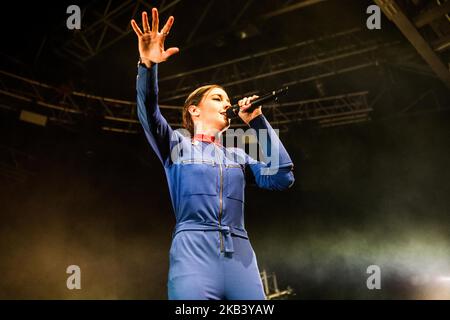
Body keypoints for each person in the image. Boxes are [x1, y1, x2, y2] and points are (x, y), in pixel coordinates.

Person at [131, 8, 295, 300]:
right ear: (194, 110)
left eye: (228, 100)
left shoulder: (239, 159)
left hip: (240, 256)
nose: (226, 103)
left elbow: (283, 177)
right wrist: (148, 65)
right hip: (193, 252)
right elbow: (148, 110)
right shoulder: (176, 146)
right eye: (217, 98)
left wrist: (257, 120)